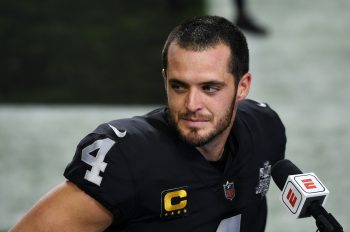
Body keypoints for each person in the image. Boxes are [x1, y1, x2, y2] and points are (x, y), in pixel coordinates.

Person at [10, 15, 286, 232]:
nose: (192, 104)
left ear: (243, 86)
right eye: (179, 86)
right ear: (165, 80)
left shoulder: (265, 129)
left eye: (210, 88)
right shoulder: (128, 156)